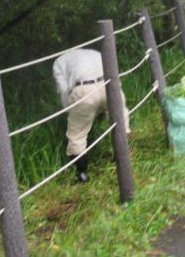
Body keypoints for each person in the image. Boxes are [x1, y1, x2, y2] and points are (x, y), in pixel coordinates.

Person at [52, 49, 129, 183]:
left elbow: (64, 90)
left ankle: (82, 175)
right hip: (109, 84)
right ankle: (121, 160)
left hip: (84, 90)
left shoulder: (58, 62)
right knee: (121, 118)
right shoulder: (95, 52)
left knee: (77, 134)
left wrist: (69, 110)